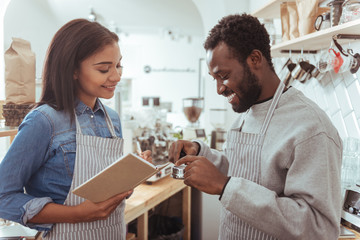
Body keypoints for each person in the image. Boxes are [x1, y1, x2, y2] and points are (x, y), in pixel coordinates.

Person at [169, 14, 342, 240]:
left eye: (224, 75)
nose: (219, 89)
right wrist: (200, 153)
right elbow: (246, 173)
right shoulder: (246, 111)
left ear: (255, 59)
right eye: (215, 79)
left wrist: (225, 187)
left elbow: (319, 229)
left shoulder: (311, 128)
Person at [0, 19, 151, 240]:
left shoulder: (112, 120)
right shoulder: (43, 121)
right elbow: (3, 196)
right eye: (104, 69)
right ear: (72, 70)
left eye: (118, 65)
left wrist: (130, 176)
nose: (117, 76)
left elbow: (104, 192)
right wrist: (76, 214)